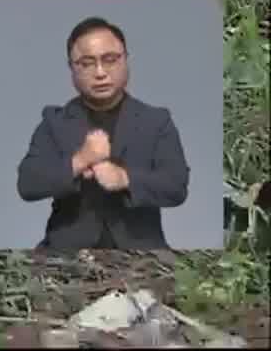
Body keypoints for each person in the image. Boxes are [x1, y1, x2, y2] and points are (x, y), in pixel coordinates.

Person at [15, 16, 190, 250]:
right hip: (65, 255)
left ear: (126, 60)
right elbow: (27, 184)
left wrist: (125, 179)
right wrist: (80, 160)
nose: (100, 73)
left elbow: (176, 186)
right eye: (86, 63)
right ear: (71, 68)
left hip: (143, 254)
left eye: (110, 60)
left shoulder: (156, 121)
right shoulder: (55, 122)